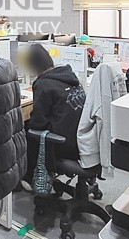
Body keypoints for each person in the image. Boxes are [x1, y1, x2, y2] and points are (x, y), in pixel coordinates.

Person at [23, 44, 86, 184]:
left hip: (64, 144)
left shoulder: (44, 84)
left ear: (32, 66)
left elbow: (38, 122)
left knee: (27, 132)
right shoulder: (69, 76)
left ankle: (30, 179)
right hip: (82, 140)